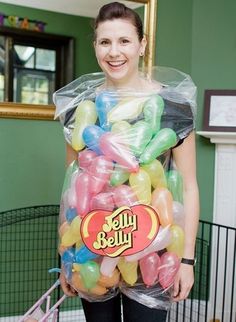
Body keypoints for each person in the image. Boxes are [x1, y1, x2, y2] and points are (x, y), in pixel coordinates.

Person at [55, 2, 199, 322]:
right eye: (105, 42)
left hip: (154, 249)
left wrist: (185, 260)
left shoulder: (174, 106)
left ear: (142, 44)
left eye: (124, 41)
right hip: (93, 247)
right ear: (95, 46)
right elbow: (72, 187)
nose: (114, 52)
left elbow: (187, 186)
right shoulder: (80, 107)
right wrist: (67, 256)